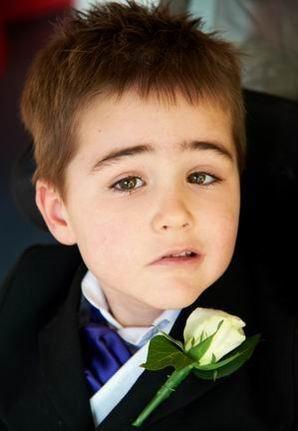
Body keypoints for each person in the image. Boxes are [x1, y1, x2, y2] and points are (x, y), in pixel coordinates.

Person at [0, 1, 296, 430]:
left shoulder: (283, 347)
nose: (175, 215)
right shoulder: (30, 288)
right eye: (127, 182)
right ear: (59, 213)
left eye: (202, 175)